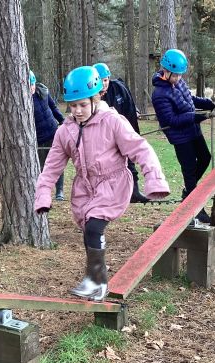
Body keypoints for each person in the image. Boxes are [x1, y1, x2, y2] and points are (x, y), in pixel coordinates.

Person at [35, 66, 170, 301]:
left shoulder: (113, 122)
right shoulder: (65, 131)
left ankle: (98, 282)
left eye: (82, 105)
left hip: (113, 183)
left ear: (95, 98)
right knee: (89, 231)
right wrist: (43, 195)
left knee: (94, 227)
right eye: (72, 106)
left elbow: (141, 149)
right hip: (84, 189)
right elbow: (51, 167)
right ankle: (92, 279)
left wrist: (154, 180)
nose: (77, 111)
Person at [151, 49, 215, 223]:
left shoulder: (179, 83)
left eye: (180, 75)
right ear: (165, 71)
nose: (178, 78)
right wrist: (198, 116)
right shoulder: (159, 94)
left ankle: (188, 191)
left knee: (205, 157)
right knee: (189, 170)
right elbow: (171, 120)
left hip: (193, 130)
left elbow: (190, 99)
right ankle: (195, 208)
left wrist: (210, 104)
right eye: (175, 75)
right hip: (180, 137)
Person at [0, 71, 66, 199]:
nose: (31, 88)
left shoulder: (42, 92)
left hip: (52, 133)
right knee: (39, 167)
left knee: (56, 163)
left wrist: (63, 121)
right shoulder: (16, 100)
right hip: (36, 140)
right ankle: (40, 192)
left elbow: (53, 108)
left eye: (32, 84)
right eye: (28, 85)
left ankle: (59, 191)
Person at [93, 62, 148, 203]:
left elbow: (128, 103)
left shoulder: (118, 88)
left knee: (130, 161)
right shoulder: (92, 96)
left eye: (105, 80)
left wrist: (134, 114)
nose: (103, 84)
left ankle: (134, 191)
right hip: (105, 139)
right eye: (100, 81)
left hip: (124, 132)